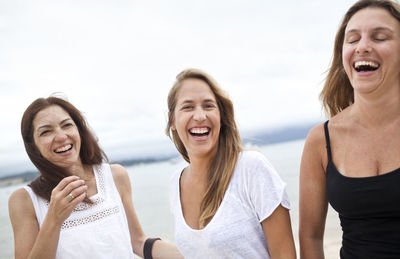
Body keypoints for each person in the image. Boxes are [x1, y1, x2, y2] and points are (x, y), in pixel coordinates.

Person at [8, 96, 183, 259]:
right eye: (46, 132)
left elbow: (137, 241)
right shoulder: (24, 200)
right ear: (33, 145)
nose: (61, 137)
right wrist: (54, 219)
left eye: (67, 125)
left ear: (79, 130)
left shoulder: (116, 176)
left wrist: (188, 253)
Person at [299, 0, 400, 258]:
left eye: (379, 37)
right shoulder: (320, 140)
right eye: (352, 39)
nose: (363, 47)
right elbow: (310, 236)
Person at [165, 68, 296, 258]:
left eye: (208, 106)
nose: (200, 116)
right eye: (188, 107)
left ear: (221, 116)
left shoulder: (251, 168)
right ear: (173, 122)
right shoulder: (175, 182)